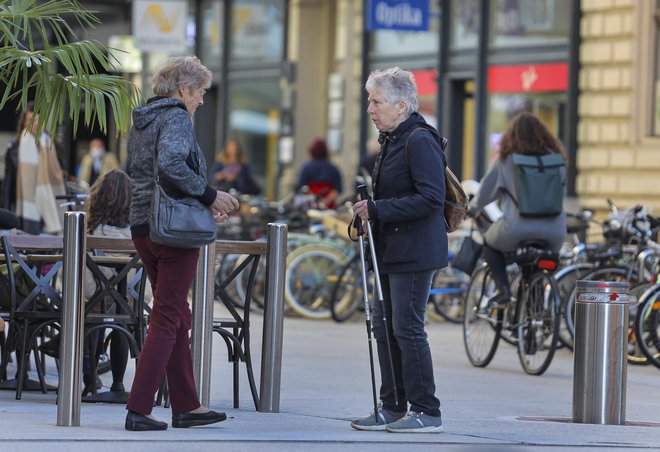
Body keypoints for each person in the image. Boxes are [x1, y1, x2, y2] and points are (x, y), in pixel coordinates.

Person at [125, 55, 239, 431]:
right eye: (201, 91)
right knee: (168, 316)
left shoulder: (143, 119)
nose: (202, 100)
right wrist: (209, 196)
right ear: (183, 88)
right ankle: (139, 408)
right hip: (172, 230)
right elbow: (172, 164)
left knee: (178, 317)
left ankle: (187, 405)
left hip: (144, 225)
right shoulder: (175, 116)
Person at [351, 67, 445, 433]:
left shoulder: (418, 140)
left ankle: (426, 409)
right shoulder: (392, 139)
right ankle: (392, 405)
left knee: (406, 327)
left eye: (376, 102)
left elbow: (431, 199)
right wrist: (370, 213)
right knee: (384, 326)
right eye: (369, 101)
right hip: (391, 248)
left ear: (402, 104)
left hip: (415, 250)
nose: (371, 109)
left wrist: (379, 209)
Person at [470, 112, 567, 305]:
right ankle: (537, 309)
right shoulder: (557, 161)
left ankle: (503, 290)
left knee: (489, 244)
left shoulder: (506, 160)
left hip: (516, 230)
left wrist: (471, 209)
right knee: (539, 267)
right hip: (555, 233)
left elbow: (484, 194)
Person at [296, 138, 342, 209]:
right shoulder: (333, 168)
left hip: (310, 207)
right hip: (329, 207)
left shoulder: (306, 168)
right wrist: (326, 201)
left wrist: (315, 199)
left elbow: (302, 188)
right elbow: (338, 189)